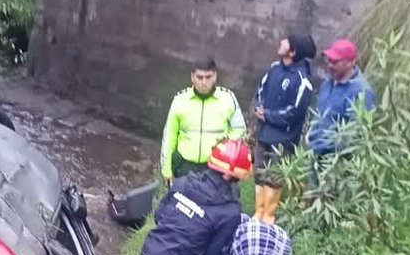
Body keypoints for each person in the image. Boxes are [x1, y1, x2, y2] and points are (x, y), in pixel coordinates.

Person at [253, 33, 317, 224]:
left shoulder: (302, 80)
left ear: (293, 51)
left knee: (274, 178)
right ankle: (258, 212)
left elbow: (295, 112)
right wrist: (258, 106)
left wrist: (268, 116)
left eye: (286, 41)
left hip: (283, 140)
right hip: (263, 134)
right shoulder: (274, 69)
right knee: (259, 173)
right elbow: (260, 90)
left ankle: (269, 216)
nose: (281, 42)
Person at [160, 57, 248, 184]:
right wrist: (166, 170)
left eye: (208, 77)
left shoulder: (228, 98)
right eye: (199, 77)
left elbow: (240, 130)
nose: (204, 82)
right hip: (185, 168)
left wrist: (223, 144)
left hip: (217, 168)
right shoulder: (180, 100)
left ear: (215, 76)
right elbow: (169, 137)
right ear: (192, 77)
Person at [306, 38, 377, 185]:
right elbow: (319, 114)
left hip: (338, 164)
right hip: (316, 156)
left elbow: (356, 134)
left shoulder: (361, 91)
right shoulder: (327, 84)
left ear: (350, 62)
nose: (330, 65)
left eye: (335, 62)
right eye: (329, 60)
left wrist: (325, 147)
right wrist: (311, 135)